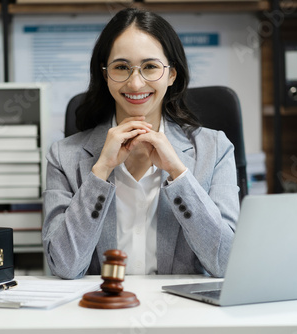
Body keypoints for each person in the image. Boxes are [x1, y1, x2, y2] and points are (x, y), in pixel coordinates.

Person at [42, 8, 239, 279]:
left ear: (172, 74)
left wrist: (179, 174)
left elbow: (227, 263)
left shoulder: (215, 149)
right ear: (105, 75)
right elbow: (64, 266)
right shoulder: (63, 156)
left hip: (183, 314)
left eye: (150, 67)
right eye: (121, 67)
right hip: (99, 313)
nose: (135, 83)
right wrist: (99, 173)